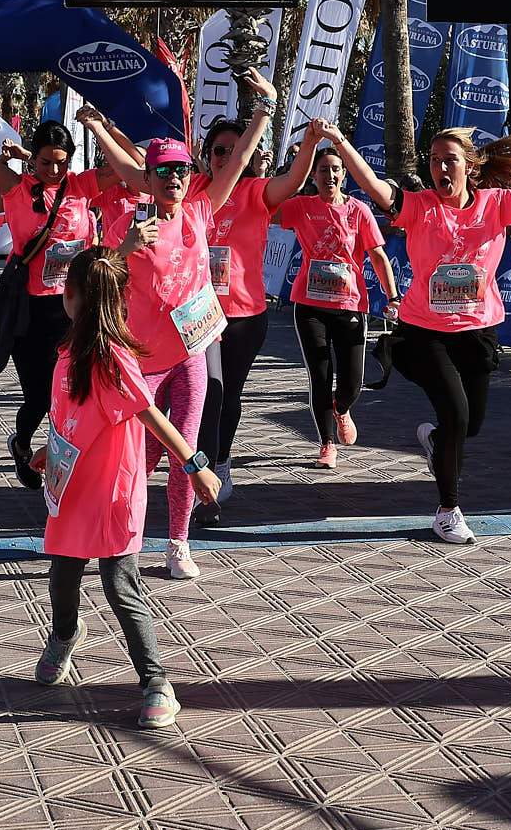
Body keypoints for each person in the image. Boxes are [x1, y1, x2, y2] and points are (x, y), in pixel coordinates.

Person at [320, 119, 511, 545]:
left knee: (469, 425)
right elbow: (376, 189)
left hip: (478, 331)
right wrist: (341, 141)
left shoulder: (497, 204)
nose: (442, 169)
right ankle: (447, 510)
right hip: (425, 332)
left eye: (451, 161)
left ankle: (436, 440)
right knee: (456, 414)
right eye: (435, 161)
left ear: (470, 167)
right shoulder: (421, 206)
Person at [84, 72, 272, 579]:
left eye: (182, 172)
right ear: (148, 179)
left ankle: (178, 543)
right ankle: (126, 535)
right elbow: (94, 280)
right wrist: (123, 250)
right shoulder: (128, 224)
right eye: (164, 172)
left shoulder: (198, 213)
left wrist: (263, 109)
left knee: (187, 446)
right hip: (142, 360)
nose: (174, 179)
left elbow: (233, 167)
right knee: (139, 454)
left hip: (190, 350)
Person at [31, 246, 219, 730]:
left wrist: (194, 463)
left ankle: (156, 681)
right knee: (63, 578)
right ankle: (65, 635)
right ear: (121, 301)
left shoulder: (115, 358)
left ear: (68, 294)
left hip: (115, 490)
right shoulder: (66, 352)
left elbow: (152, 415)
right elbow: (66, 413)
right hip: (70, 488)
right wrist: (49, 449)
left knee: (120, 585)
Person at [0, 58, 102, 489]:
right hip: (30, 312)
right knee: (38, 394)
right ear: (34, 160)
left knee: (69, 395)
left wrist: (101, 127)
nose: (54, 170)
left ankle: (59, 461)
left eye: (61, 163)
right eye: (47, 162)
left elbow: (135, 170)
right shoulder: (16, 188)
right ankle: (23, 442)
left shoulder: (83, 187)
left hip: (76, 311)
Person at [162, 111, 312, 514]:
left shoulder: (255, 191)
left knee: (227, 395)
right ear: (206, 155)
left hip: (245, 315)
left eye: (233, 151)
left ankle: (220, 462)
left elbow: (294, 181)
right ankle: (199, 470)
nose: (225, 158)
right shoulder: (192, 188)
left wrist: (311, 142)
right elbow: (145, 175)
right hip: (197, 316)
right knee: (208, 392)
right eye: (218, 151)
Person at [278, 129, 394, 469]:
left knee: (352, 383)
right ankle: (327, 443)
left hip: (350, 306)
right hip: (310, 305)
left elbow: (378, 257)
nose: (329, 175)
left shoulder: (358, 211)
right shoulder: (301, 207)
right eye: (323, 169)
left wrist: (393, 296)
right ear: (312, 176)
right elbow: (263, 208)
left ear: (343, 175)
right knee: (319, 375)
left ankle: (341, 408)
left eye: (335, 169)